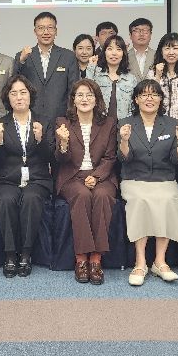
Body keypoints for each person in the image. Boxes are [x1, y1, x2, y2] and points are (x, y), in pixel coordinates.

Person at [118, 79, 178, 286]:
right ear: (136, 99)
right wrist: (124, 140)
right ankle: (140, 263)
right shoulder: (125, 123)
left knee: (169, 200)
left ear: (161, 99)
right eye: (144, 94)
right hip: (134, 178)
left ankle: (160, 262)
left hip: (164, 179)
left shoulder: (171, 124)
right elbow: (125, 158)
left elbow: (177, 160)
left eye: (154, 94)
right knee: (139, 201)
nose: (149, 98)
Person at [0, 75, 54, 278]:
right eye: (14, 93)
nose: (19, 97)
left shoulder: (44, 122)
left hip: (37, 179)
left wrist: (40, 139)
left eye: (23, 92)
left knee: (31, 198)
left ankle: (26, 254)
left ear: (30, 95)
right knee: (6, 200)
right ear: (7, 98)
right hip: (7, 179)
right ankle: (10, 255)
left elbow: (51, 157)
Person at [54, 79, 118, 285]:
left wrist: (97, 176)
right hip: (72, 176)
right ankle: (81, 258)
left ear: (96, 99)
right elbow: (61, 159)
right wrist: (63, 143)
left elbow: (110, 157)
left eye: (89, 95)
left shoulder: (108, 123)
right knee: (81, 195)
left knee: (102, 195)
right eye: (80, 95)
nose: (84, 99)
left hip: (101, 175)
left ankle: (96, 259)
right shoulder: (62, 123)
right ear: (73, 99)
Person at [14, 11, 78, 127]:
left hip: (61, 119)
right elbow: (14, 85)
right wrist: (21, 61)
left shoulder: (68, 56)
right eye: (41, 28)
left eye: (50, 28)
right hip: (30, 118)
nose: (46, 32)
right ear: (35, 31)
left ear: (56, 31)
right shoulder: (23, 56)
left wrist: (70, 117)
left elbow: (73, 90)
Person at [85, 35, 137, 120]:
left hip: (124, 124)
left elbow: (134, 107)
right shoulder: (96, 75)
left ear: (123, 53)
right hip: (99, 123)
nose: (114, 53)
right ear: (104, 52)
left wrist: (127, 123)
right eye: (110, 49)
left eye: (118, 49)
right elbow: (86, 94)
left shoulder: (131, 79)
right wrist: (91, 67)